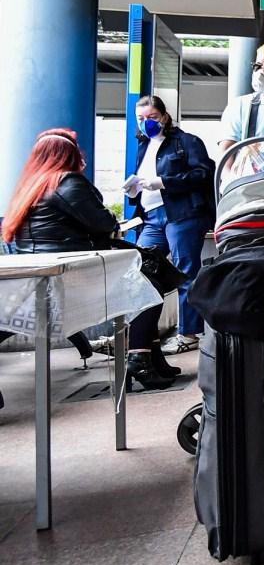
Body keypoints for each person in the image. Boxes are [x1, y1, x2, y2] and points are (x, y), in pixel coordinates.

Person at [2, 128, 177, 389]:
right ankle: (140, 358)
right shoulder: (68, 182)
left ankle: (150, 356)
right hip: (73, 273)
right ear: (70, 155)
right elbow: (103, 223)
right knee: (151, 283)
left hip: (44, 272)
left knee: (148, 274)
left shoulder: (30, 186)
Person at [127, 96, 215, 358]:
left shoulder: (186, 142)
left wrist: (164, 181)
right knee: (140, 269)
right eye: (141, 119)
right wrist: (134, 189)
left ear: (165, 116)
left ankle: (188, 334)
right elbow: (143, 180)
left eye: (152, 117)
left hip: (182, 214)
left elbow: (203, 173)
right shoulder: (143, 146)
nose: (146, 123)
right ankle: (141, 335)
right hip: (152, 216)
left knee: (185, 271)